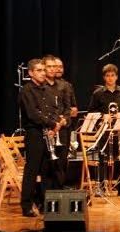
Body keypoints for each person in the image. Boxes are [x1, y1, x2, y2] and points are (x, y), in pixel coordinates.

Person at [19, 58, 66, 217]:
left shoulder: (48, 89)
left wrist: (55, 125)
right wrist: (52, 124)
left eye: (43, 70)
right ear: (31, 73)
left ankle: (44, 203)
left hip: (48, 134)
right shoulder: (26, 90)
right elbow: (33, 114)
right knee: (32, 171)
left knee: (47, 171)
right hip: (34, 134)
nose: (42, 73)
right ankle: (26, 205)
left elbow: (53, 109)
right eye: (38, 70)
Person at [88, 64, 120, 196]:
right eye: (108, 76)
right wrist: (103, 116)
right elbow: (91, 112)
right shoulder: (97, 93)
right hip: (104, 131)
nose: (110, 78)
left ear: (116, 77)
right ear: (104, 77)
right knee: (103, 158)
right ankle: (101, 187)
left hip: (119, 129)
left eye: (113, 75)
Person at [42, 55, 72, 189]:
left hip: (62, 129)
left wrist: (62, 121)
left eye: (55, 66)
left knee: (61, 160)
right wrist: (52, 125)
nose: (53, 69)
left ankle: (60, 189)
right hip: (48, 129)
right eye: (50, 66)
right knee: (47, 162)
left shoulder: (64, 86)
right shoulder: (41, 86)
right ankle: (46, 193)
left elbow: (67, 107)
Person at [53, 57, 79, 158]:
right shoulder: (45, 85)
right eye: (56, 67)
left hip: (64, 127)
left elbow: (74, 107)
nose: (59, 69)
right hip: (52, 126)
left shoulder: (67, 85)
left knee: (63, 160)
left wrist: (72, 111)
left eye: (61, 67)